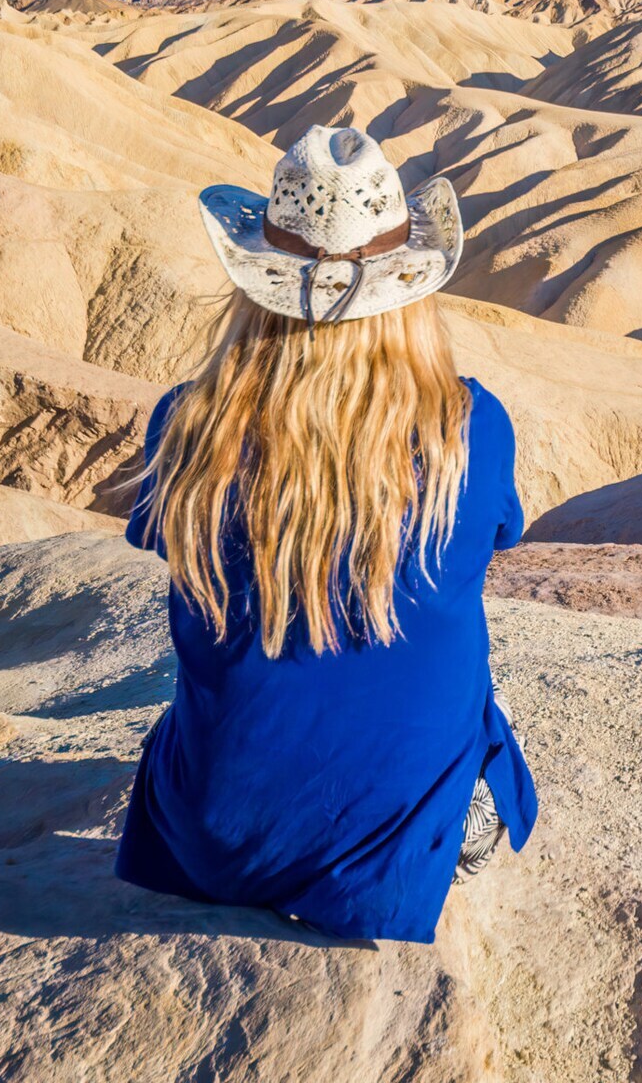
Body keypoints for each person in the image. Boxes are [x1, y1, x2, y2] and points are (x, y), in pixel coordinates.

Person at [114, 125, 535, 943]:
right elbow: (492, 540)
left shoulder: (187, 428)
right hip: (385, 853)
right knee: (482, 701)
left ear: (255, 285)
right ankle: (459, 818)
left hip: (212, 839)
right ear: (408, 288)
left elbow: (166, 540)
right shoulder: (469, 431)